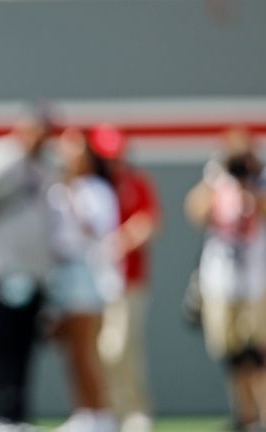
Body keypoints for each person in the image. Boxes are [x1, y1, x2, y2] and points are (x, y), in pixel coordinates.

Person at [0, 108, 55, 432]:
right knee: (2, 346)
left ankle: (17, 415)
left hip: (32, 273)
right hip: (1, 270)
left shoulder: (42, 164)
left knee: (25, 347)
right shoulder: (1, 158)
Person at [185, 127, 266, 432]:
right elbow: (195, 211)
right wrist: (217, 176)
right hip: (221, 281)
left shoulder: (261, 179)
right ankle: (244, 416)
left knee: (258, 352)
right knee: (231, 354)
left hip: (258, 280)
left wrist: (251, 185)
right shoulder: (217, 180)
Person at [47, 128, 121, 432]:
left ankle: (101, 415)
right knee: (70, 350)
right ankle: (84, 413)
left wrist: (72, 194)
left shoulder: (96, 190)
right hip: (60, 272)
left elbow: (95, 231)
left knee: (84, 348)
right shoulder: (57, 188)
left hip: (85, 272)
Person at [88, 124, 160, 432]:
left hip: (128, 281)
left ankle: (134, 409)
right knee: (100, 351)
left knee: (122, 348)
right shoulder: (89, 186)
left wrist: (119, 243)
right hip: (93, 283)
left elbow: (148, 222)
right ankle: (109, 411)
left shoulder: (134, 182)